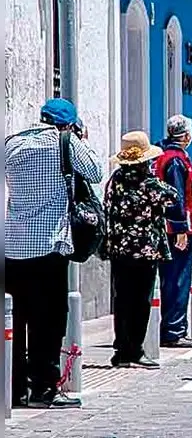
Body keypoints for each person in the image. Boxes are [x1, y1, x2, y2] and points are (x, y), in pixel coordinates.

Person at [5, 99, 102, 408]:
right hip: (48, 246)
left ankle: (14, 389)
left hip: (13, 246)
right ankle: (44, 389)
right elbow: (95, 172)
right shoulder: (65, 141)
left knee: (16, 321)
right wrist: (82, 140)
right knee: (47, 322)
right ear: (68, 124)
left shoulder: (11, 143)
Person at [104, 131, 179, 369]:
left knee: (122, 299)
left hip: (119, 249)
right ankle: (135, 350)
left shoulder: (116, 179)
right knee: (141, 301)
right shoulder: (149, 183)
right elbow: (173, 197)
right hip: (145, 250)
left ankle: (121, 349)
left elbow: (107, 205)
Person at [154, 115, 192, 349]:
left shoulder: (168, 156)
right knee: (177, 279)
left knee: (173, 278)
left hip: (172, 228)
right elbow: (176, 197)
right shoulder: (175, 160)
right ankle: (174, 330)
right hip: (177, 230)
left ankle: (174, 327)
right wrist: (181, 228)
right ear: (186, 136)